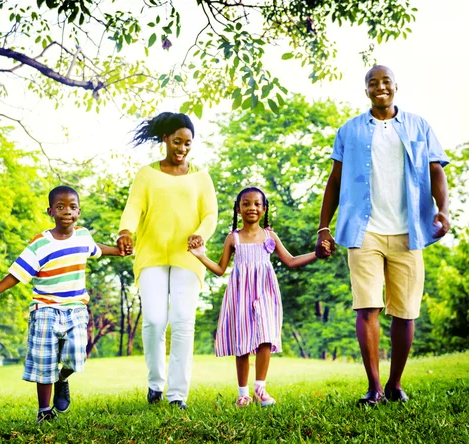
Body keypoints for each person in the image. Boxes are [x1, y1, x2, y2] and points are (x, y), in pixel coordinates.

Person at [315, 65, 450, 406]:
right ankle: (374, 388)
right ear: (366, 91)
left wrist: (442, 209)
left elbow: (436, 169)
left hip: (410, 232)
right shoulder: (350, 131)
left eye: (385, 81)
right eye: (372, 83)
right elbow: (335, 180)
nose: (380, 87)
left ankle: (395, 383)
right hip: (365, 232)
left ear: (395, 86)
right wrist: (324, 227)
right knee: (368, 307)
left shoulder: (419, 126)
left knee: (405, 312)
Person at [190, 187, 330, 407]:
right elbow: (219, 269)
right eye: (246, 204)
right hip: (240, 292)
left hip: (265, 290)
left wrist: (317, 254)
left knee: (266, 336)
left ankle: (260, 389)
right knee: (243, 342)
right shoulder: (233, 238)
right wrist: (200, 255)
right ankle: (243, 393)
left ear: (264, 209)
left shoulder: (269, 235)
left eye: (257, 204)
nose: (251, 208)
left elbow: (291, 261)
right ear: (238, 210)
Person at [0, 185, 124, 423]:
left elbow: (96, 250)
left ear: (79, 212)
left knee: (77, 357)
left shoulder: (83, 236)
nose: (67, 212)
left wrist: (119, 251)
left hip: (76, 308)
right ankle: (44, 411)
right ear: (50, 211)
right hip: (45, 309)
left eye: (72, 207)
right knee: (45, 361)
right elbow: (19, 273)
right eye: (61, 207)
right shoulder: (41, 243)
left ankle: (62, 379)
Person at [117, 112, 218, 409]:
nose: (183, 148)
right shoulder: (146, 174)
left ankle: (177, 395)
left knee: (183, 322)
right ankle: (155, 384)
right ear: (165, 139)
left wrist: (200, 234)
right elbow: (134, 207)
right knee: (154, 320)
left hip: (188, 257)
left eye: (188, 143)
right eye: (177, 141)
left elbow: (210, 214)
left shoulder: (201, 176)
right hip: (152, 255)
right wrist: (126, 231)